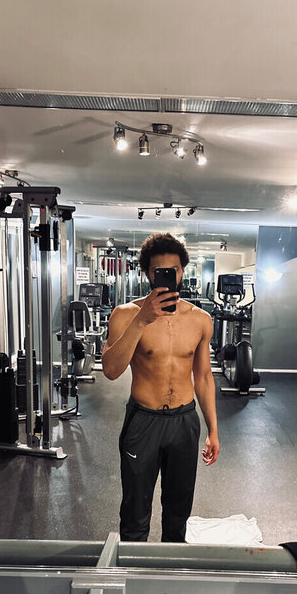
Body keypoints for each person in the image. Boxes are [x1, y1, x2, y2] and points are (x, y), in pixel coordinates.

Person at [102, 232, 219, 542]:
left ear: (182, 271)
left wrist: (213, 430)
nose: (168, 276)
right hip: (144, 421)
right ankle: (132, 568)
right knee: (135, 511)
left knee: (178, 510)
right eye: (159, 271)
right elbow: (111, 371)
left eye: (174, 270)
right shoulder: (125, 315)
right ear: (147, 273)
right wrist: (142, 320)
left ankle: (170, 568)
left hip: (184, 422)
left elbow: (204, 377)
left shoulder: (200, 320)